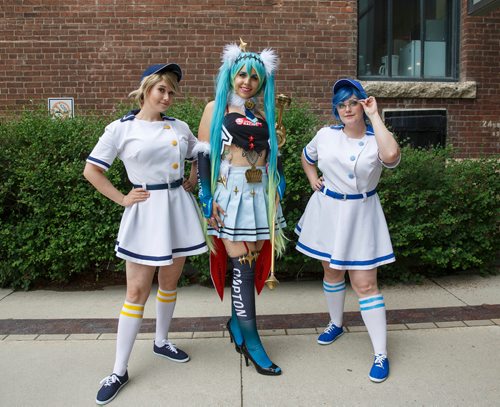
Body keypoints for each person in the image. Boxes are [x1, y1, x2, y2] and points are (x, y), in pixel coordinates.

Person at [83, 63, 208, 404]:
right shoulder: (119, 129)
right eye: (161, 90)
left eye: (171, 92)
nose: (167, 97)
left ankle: (161, 341)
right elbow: (92, 171)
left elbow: (200, 152)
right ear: (146, 90)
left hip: (177, 209)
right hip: (145, 211)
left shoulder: (179, 127)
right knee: (136, 291)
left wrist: (194, 176)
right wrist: (123, 198)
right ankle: (119, 369)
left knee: (169, 283)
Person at [295, 78, 400, 383]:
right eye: (341, 104)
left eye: (353, 102)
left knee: (365, 284)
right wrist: (313, 178)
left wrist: (375, 115)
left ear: (363, 104)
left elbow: (391, 157)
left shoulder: (374, 138)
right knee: (331, 272)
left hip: (361, 214)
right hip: (327, 212)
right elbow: (307, 156)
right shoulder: (325, 135)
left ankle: (380, 353)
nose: (347, 109)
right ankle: (335, 323)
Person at [196, 39, 286, 376]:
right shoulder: (214, 108)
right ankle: (252, 340)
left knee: (251, 259)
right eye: (241, 74)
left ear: (262, 82)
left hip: (261, 190)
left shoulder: (262, 113)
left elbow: (270, 157)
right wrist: (206, 198)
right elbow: (203, 154)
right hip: (229, 191)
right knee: (243, 263)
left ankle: (236, 323)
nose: (246, 81)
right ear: (231, 74)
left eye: (254, 77)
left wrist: (276, 185)